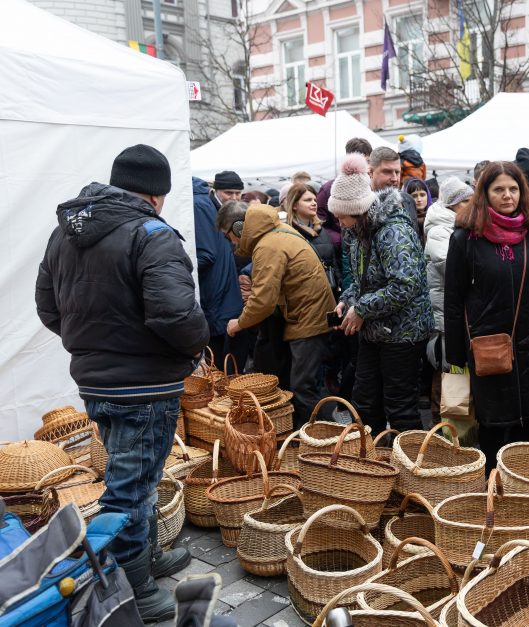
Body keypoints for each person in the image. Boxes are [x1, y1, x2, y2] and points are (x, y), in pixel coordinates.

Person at [35, 145, 209, 621]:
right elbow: (176, 314)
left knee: (136, 476)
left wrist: (92, 346)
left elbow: (50, 309)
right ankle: (131, 583)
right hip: (144, 387)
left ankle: (144, 559)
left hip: (98, 382)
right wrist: (195, 347)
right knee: (129, 486)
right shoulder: (151, 234)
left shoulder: (65, 234)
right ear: (157, 195)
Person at [444, 161, 529, 466]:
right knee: (494, 431)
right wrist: (456, 355)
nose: (507, 195)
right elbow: (454, 299)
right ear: (484, 193)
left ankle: (523, 495)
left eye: (513, 188)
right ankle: (492, 494)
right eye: (499, 189)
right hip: (489, 350)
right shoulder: (465, 238)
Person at [329, 153, 434, 434]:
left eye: (341, 214)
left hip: (403, 334)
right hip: (376, 331)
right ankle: (373, 467)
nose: (338, 220)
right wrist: (348, 300)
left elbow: (405, 285)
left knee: (400, 408)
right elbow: (364, 281)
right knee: (364, 403)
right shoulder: (359, 233)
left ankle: (410, 468)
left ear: (357, 210)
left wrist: (362, 309)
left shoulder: (393, 230)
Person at [218, 202, 336, 427]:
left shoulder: (267, 246)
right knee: (306, 383)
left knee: (303, 387)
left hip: (308, 320)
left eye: (228, 236)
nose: (231, 242)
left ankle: (316, 439)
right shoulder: (275, 233)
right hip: (307, 316)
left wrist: (239, 324)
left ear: (239, 228)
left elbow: (262, 301)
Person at [424, 177, 474, 421]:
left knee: (456, 373)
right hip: (445, 315)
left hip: (458, 312)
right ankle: (441, 430)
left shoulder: (459, 226)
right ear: (453, 204)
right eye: (466, 201)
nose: (472, 204)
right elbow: (449, 265)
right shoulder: (439, 229)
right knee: (446, 375)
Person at [192, 177, 246, 371]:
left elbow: (206, 255)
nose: (233, 197)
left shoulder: (198, 205)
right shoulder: (206, 205)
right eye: (229, 193)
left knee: (224, 370)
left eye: (237, 193)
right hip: (223, 301)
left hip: (219, 302)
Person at [283, 183, 340, 293]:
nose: (314, 203)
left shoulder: (322, 231)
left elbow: (333, 264)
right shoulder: (287, 233)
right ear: (294, 205)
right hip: (302, 297)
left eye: (315, 200)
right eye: (308, 200)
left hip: (329, 293)